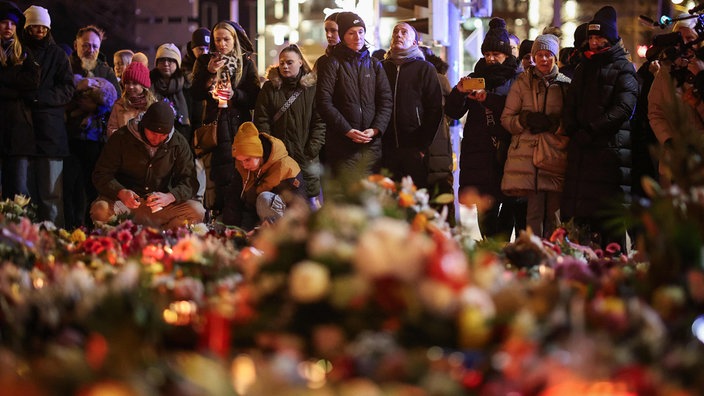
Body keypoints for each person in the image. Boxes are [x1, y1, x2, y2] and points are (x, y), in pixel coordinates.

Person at [561, 6, 638, 247]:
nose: (594, 43)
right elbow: (571, 102)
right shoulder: (585, 67)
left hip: (609, 155)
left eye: (599, 37)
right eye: (591, 38)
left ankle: (614, 277)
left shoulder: (623, 67)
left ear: (611, 38)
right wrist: (572, 127)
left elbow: (624, 108)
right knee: (583, 225)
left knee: (609, 225)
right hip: (583, 155)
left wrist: (592, 130)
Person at [445, 17, 525, 241]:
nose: (490, 59)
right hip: (479, 152)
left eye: (496, 54)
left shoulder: (519, 79)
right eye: (487, 54)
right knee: (485, 207)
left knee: (509, 204)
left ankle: (501, 251)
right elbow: (453, 111)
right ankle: (492, 249)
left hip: (508, 151)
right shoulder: (475, 78)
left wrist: (487, 99)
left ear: (506, 54)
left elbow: (515, 107)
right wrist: (459, 92)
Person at [91, 100, 205, 229]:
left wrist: (170, 196)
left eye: (163, 135)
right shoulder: (121, 138)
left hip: (159, 207)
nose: (157, 139)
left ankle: (165, 239)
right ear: (144, 125)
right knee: (100, 210)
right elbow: (101, 174)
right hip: (124, 204)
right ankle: (121, 240)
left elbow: (189, 181)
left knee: (196, 211)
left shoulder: (178, 143)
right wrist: (120, 192)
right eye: (153, 133)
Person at [501, 34, 571, 238]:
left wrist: (555, 125)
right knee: (533, 215)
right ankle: (533, 260)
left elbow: (572, 122)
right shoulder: (522, 83)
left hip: (555, 156)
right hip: (528, 159)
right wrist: (524, 120)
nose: (543, 59)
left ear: (555, 57)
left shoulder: (566, 85)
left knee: (555, 217)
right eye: (539, 54)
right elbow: (507, 119)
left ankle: (556, 261)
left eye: (548, 54)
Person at [191, 20, 261, 213]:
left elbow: (255, 96)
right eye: (218, 40)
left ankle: (240, 215)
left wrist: (235, 95)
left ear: (235, 39)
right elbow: (195, 93)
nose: (222, 44)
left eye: (226, 39)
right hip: (216, 125)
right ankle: (218, 215)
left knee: (240, 173)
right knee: (217, 175)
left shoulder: (245, 63)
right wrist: (210, 72)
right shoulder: (205, 61)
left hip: (239, 125)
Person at [316, 11, 392, 177]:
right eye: (351, 33)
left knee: (371, 197)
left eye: (361, 32)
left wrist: (375, 129)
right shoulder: (332, 64)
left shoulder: (374, 64)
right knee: (345, 198)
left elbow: (386, 101)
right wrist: (347, 130)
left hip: (371, 145)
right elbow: (323, 102)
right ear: (343, 36)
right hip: (342, 145)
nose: (357, 37)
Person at [253, 44, 325, 208]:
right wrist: (272, 149)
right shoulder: (270, 88)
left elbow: (319, 122)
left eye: (290, 62)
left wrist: (312, 149)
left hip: (306, 156)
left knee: (310, 204)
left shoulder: (312, 89)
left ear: (300, 62)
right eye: (282, 62)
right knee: (283, 202)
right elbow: (262, 120)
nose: (285, 66)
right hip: (279, 159)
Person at [22, 5, 74, 227]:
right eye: (34, 26)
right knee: (24, 198)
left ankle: (55, 240)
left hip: (51, 134)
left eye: (43, 27)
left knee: (51, 196)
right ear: (27, 27)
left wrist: (37, 97)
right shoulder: (19, 52)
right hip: (22, 133)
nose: (39, 31)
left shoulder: (58, 55)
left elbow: (67, 89)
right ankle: (27, 241)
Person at [64, 24, 121, 228]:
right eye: (86, 45)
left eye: (95, 46)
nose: (90, 50)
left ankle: (91, 230)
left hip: (96, 140)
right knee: (68, 188)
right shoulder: (66, 67)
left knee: (92, 188)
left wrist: (95, 108)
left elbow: (116, 101)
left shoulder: (105, 70)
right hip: (68, 138)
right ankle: (69, 230)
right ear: (76, 45)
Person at [381, 22, 443, 188]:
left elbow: (434, 109)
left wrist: (421, 146)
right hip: (386, 148)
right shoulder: (381, 67)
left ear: (414, 43)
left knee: (414, 202)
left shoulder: (425, 68)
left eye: (404, 32)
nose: (398, 35)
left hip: (414, 149)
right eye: (395, 32)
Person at [648, 15, 702, 188]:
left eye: (690, 38)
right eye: (679, 38)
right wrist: (668, 139)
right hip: (675, 160)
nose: (684, 44)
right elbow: (655, 111)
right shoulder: (667, 71)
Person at [222, 122, 304, 229]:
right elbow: (235, 201)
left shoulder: (286, 167)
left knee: (264, 199)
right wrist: (233, 232)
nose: (244, 165)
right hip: (257, 220)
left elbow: (298, 206)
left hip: (286, 226)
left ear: (259, 154)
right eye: (240, 161)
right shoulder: (243, 168)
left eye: (247, 159)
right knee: (222, 223)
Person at [0, 1, 39, 200]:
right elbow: (22, 84)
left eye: (13, 24)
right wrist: (16, 85)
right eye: (4, 22)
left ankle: (19, 230)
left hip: (19, 133)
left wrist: (5, 77)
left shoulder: (24, 52)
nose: (8, 27)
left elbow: (32, 82)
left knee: (19, 191)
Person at [151, 43, 191, 143]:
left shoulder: (185, 83)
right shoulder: (150, 82)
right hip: (156, 133)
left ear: (177, 63)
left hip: (182, 135)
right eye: (162, 60)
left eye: (170, 60)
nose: (166, 63)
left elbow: (194, 113)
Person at [106, 61, 156, 137]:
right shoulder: (120, 105)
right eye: (127, 83)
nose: (130, 86)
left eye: (135, 83)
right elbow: (112, 128)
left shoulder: (152, 106)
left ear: (143, 86)